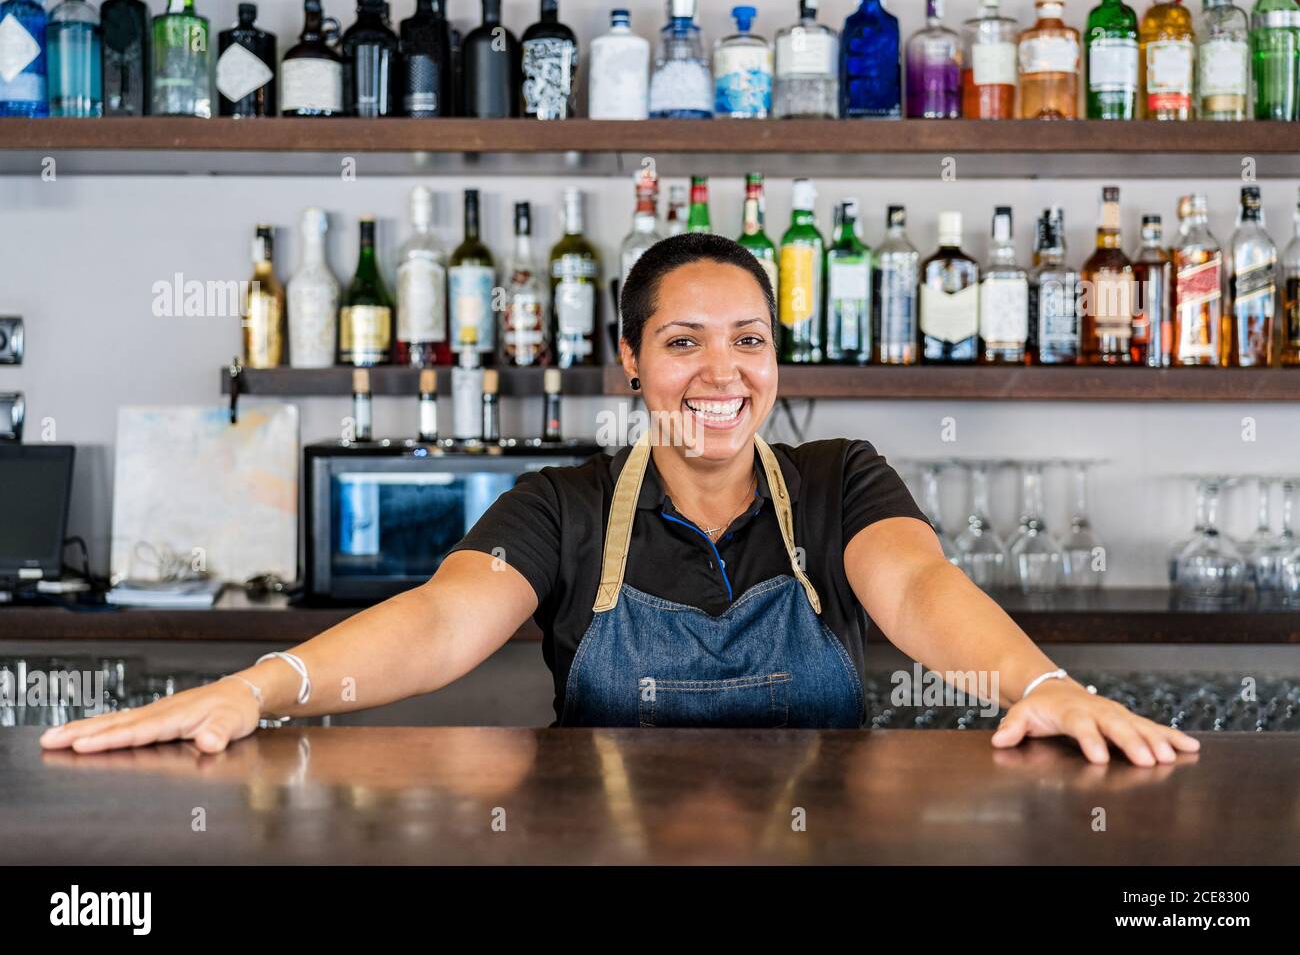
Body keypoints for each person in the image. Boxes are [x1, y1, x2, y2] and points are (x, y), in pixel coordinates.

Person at [41, 234, 1198, 766]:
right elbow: (444, 621)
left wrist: (1041, 685)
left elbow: (921, 589)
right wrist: (258, 688)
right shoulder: (565, 502)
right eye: (683, 341)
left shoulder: (840, 476)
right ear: (628, 366)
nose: (720, 372)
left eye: (748, 340)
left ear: (775, 359)